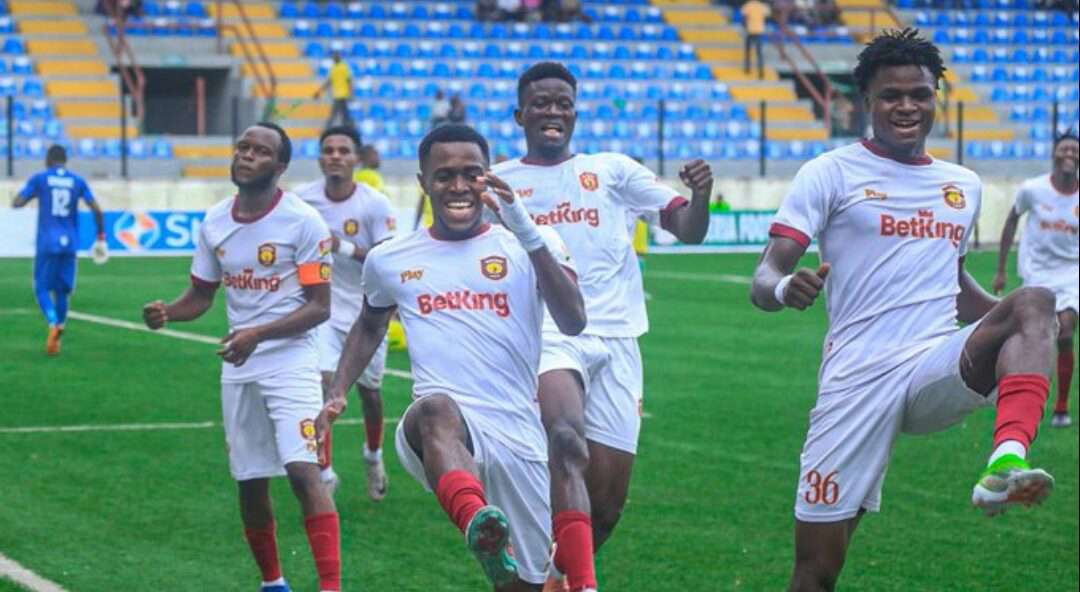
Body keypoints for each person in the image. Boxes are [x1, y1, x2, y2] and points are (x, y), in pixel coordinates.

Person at [749, 29, 1057, 592]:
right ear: (866, 101)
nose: (907, 106)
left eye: (919, 93)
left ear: (937, 96)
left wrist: (1025, 327)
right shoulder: (830, 172)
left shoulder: (962, 185)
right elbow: (764, 275)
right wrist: (783, 287)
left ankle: (1005, 464)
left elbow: (952, 283)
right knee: (817, 569)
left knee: (1036, 300)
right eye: (891, 95)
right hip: (858, 379)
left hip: (933, 364)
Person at [319, 123, 586, 590]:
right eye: (444, 176)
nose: (459, 186)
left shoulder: (530, 243)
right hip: (439, 432)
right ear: (423, 182)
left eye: (471, 174)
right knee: (435, 408)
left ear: (489, 177)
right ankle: (475, 520)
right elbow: (370, 323)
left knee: (523, 584)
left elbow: (573, 321)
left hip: (519, 437)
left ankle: (493, 545)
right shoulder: (391, 258)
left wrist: (527, 233)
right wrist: (338, 390)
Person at [493, 62, 713, 592]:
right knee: (566, 439)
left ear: (575, 113)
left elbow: (687, 230)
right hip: (547, 334)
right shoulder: (499, 182)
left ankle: (547, 579)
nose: (553, 111)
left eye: (563, 103)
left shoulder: (613, 170)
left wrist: (701, 196)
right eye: (541, 103)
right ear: (520, 115)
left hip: (617, 341)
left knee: (607, 506)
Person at [141, 123, 341, 592]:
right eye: (242, 147)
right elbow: (201, 295)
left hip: (291, 361)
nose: (247, 155)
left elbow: (320, 306)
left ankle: (331, 587)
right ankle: (273, 583)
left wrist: (259, 333)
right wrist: (169, 312)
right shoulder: (215, 221)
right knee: (250, 479)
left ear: (280, 166)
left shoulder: (304, 222)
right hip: (239, 364)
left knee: (302, 470)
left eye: (260, 151)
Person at [296, 125, 397, 499]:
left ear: (357, 158)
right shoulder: (302, 201)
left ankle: (373, 456)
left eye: (343, 150)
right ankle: (324, 473)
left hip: (367, 313)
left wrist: (342, 247)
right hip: (321, 309)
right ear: (320, 158)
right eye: (328, 150)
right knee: (322, 386)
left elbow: (386, 260)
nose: (335, 156)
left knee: (370, 393)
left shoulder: (375, 204)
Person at [993, 131, 1079, 429]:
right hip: (1037, 272)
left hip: (1072, 272)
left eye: (1075, 150)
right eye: (1065, 149)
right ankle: (1022, 396)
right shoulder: (1033, 189)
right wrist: (1001, 269)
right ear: (1054, 154)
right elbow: (1012, 220)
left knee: (1065, 333)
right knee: (1033, 336)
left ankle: (1061, 406)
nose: (1070, 154)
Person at [12, 144, 107, 356]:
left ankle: (53, 322)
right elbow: (97, 209)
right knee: (62, 291)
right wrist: (101, 237)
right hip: (70, 242)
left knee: (41, 288)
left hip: (48, 241)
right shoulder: (77, 181)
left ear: (48, 159)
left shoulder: (41, 178)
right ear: (65, 161)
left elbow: (18, 202)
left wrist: (25, 197)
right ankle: (58, 334)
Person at [314, 51, 353, 129]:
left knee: (337, 113)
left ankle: (327, 128)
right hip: (337, 94)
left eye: (336, 56)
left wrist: (350, 93)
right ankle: (348, 128)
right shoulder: (333, 68)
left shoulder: (344, 67)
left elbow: (349, 81)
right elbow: (329, 81)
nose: (334, 57)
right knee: (344, 114)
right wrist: (319, 91)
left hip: (343, 94)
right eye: (333, 56)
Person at [740, 0, 771, 79]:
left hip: (750, 30)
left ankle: (747, 69)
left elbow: (744, 17)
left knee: (748, 51)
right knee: (759, 53)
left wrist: (744, 26)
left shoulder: (748, 5)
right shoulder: (762, 6)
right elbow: (767, 17)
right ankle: (761, 72)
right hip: (759, 31)